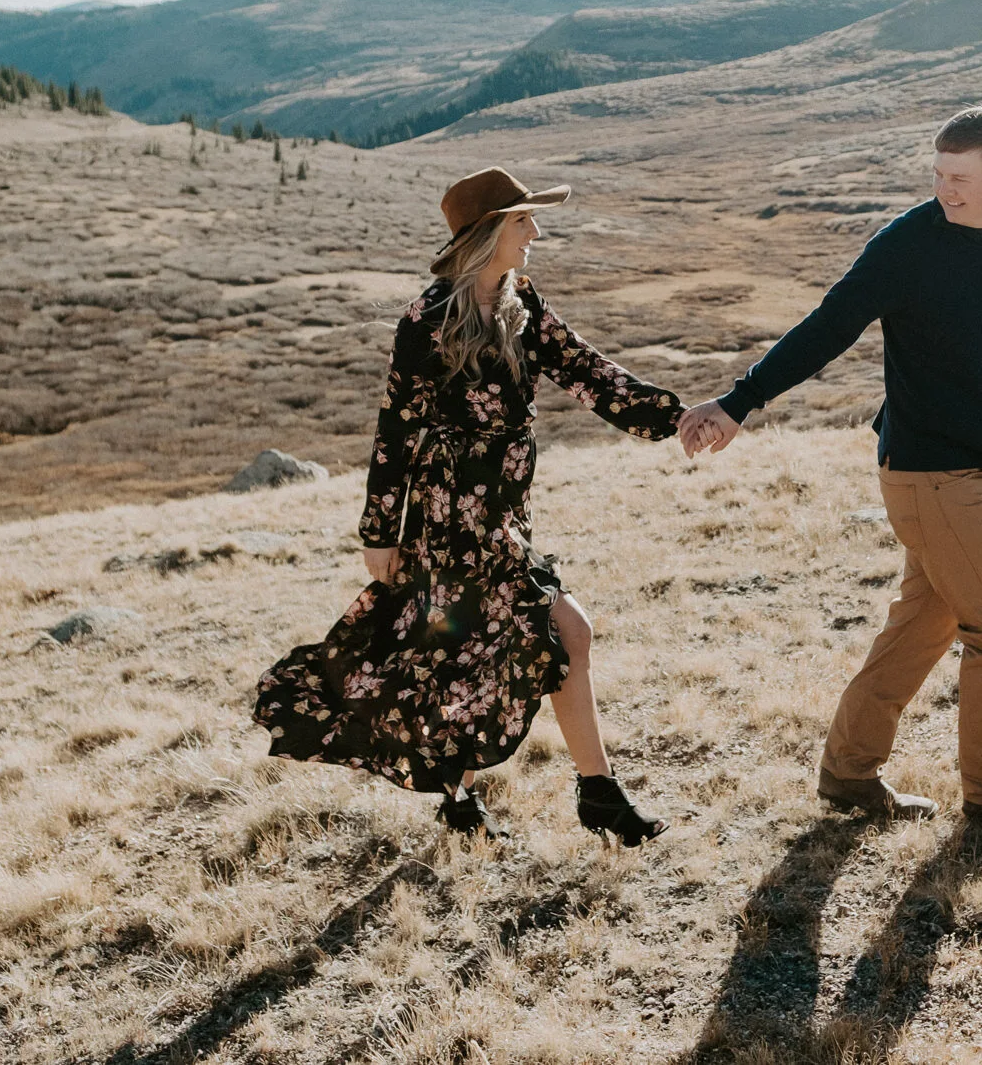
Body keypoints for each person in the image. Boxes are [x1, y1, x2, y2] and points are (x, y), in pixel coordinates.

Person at [679, 107, 982, 834]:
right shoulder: (908, 243)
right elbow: (830, 324)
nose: (944, 189)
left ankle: (848, 772)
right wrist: (741, 400)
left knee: (924, 624)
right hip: (927, 469)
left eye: (960, 178)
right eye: (936, 174)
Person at [254, 167, 682, 844]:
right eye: (522, 221)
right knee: (563, 631)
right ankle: (594, 794)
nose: (535, 232)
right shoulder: (426, 321)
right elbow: (394, 429)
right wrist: (379, 532)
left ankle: (465, 804)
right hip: (447, 520)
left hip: (504, 515)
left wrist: (676, 419)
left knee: (464, 656)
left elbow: (589, 373)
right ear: (488, 234)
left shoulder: (523, 306)